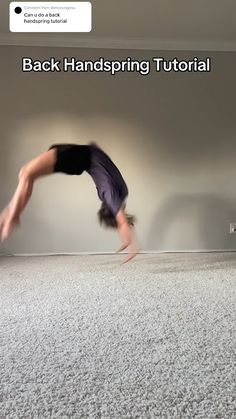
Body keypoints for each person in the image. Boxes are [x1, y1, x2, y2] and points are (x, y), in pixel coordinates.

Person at [0, 142, 139, 263]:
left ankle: (13, 215)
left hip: (79, 156)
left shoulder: (112, 194)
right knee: (28, 175)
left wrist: (127, 235)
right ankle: (13, 212)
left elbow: (121, 220)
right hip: (80, 157)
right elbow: (120, 219)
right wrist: (126, 234)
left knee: (26, 173)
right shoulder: (120, 193)